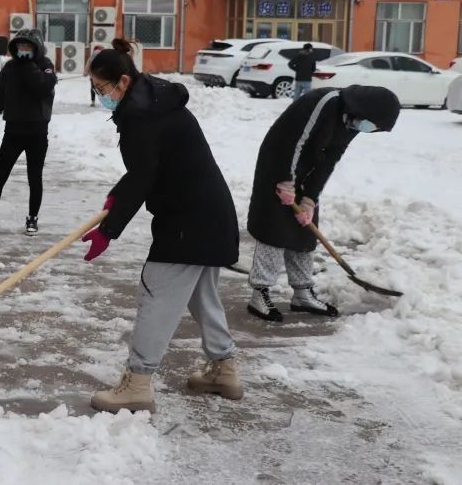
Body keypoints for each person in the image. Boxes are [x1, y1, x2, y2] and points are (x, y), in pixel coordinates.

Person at [81, 38, 242, 414]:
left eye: (101, 88)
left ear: (122, 81)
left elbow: (144, 178)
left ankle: (137, 383)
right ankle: (224, 368)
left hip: (188, 221)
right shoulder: (153, 100)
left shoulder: (141, 117)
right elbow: (149, 168)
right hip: (209, 214)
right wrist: (115, 197)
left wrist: (109, 229)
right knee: (202, 294)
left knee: (156, 292)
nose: (99, 95)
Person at [246, 85, 401, 322]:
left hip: (307, 169)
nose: (369, 130)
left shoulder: (353, 121)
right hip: (278, 163)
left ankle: (302, 293)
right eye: (373, 125)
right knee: (273, 231)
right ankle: (260, 293)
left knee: (305, 231)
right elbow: (295, 142)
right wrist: (285, 180)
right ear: (365, 109)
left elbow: (331, 157)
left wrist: (310, 199)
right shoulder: (327, 102)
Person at [0, 28, 57, 236]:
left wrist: (28, 67)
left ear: (36, 48)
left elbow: (42, 88)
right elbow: (0, 95)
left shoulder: (45, 66)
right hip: (13, 131)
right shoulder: (10, 68)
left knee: (34, 177)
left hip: (37, 132)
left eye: (27, 46)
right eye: (20, 47)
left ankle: (32, 218)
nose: (23, 50)